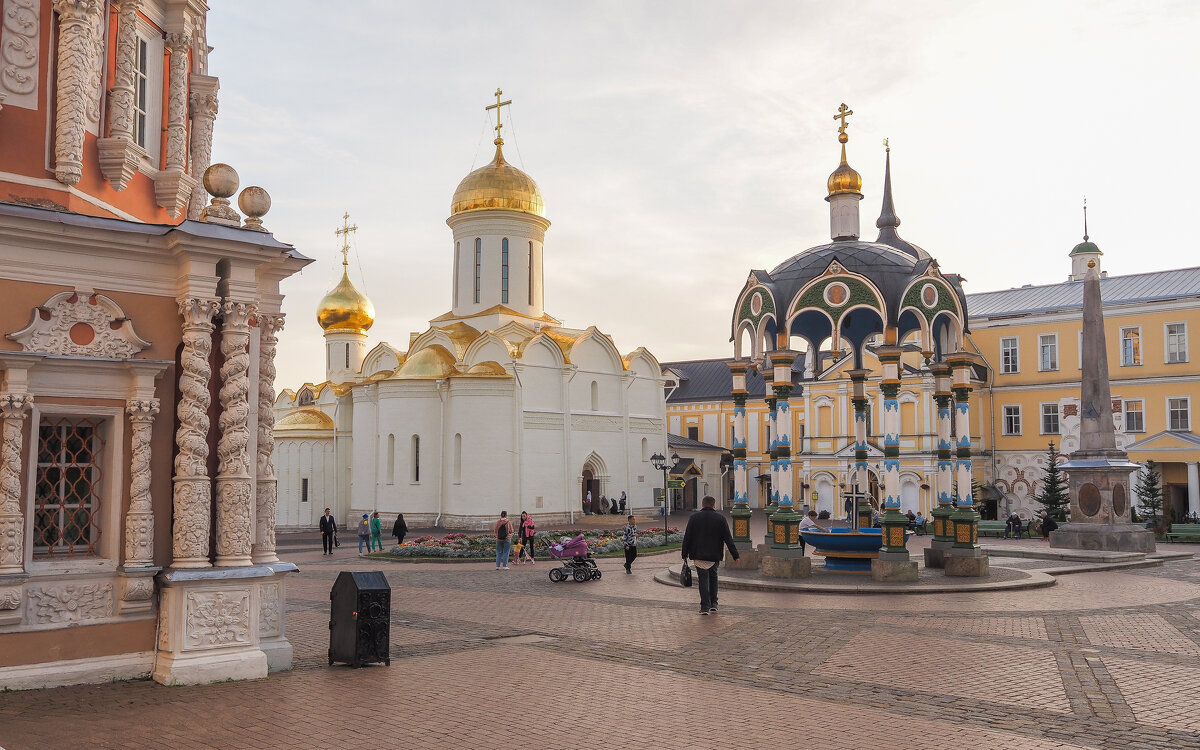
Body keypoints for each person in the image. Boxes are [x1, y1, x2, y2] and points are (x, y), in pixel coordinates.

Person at [681, 495, 739, 615]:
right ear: (714, 505)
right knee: (713, 578)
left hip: (698, 554)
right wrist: (735, 555)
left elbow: (687, 537)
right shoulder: (721, 518)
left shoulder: (694, 518)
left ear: (702, 505)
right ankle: (714, 603)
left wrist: (684, 554)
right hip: (714, 555)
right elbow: (728, 538)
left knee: (703, 580)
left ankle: (704, 607)